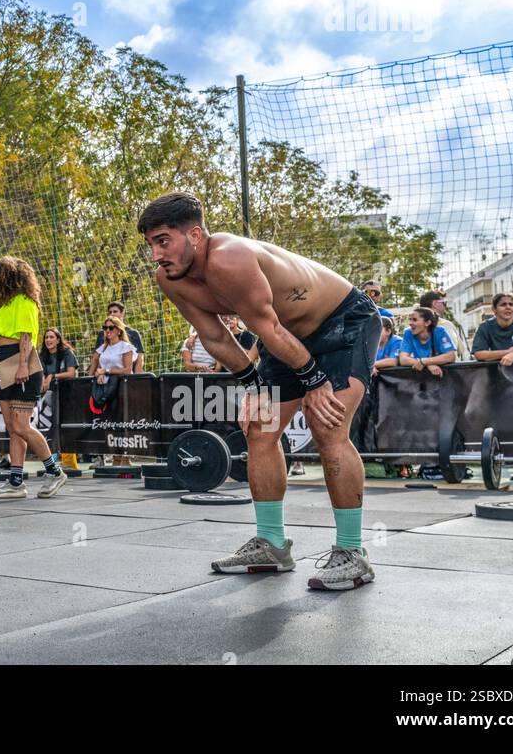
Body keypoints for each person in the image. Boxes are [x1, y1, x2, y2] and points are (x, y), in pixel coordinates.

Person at [139, 191, 381, 591]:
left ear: (195, 235)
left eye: (163, 240)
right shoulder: (170, 279)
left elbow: (267, 329)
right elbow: (215, 338)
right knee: (258, 427)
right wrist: (252, 384)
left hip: (343, 324)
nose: (156, 254)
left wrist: (315, 382)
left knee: (327, 428)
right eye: (150, 244)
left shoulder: (228, 257)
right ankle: (272, 543)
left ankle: (353, 552)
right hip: (285, 340)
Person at [0, 256, 67, 500]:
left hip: (23, 363)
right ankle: (16, 482)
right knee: (12, 428)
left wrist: (22, 366)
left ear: (9, 277)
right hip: (3, 363)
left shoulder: (25, 301)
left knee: (21, 425)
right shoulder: (2, 306)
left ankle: (54, 470)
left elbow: (26, 336)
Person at [397, 308, 456, 376]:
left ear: (427, 323)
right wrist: (427, 364)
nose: (410, 323)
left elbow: (451, 356)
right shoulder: (408, 332)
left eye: (414, 320)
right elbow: (403, 359)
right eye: (410, 319)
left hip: (443, 376)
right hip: (421, 377)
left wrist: (424, 362)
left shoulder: (439, 331)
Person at [89, 301, 144, 375]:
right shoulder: (103, 333)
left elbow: (139, 359)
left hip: (125, 378)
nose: (112, 314)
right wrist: (92, 377)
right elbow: (96, 358)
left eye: (115, 311)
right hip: (105, 378)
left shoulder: (133, 333)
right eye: (110, 312)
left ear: (122, 313)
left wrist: (137, 378)